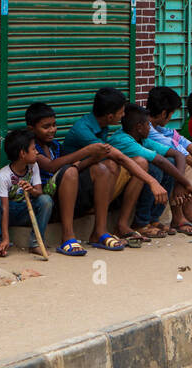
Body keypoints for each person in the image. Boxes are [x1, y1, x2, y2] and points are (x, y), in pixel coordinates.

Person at [63, 87, 171, 245]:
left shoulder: (103, 126)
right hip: (74, 186)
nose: (124, 115)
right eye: (121, 112)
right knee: (110, 165)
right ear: (110, 116)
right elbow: (118, 157)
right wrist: (152, 182)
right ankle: (99, 230)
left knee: (139, 162)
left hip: (94, 181)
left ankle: (122, 224)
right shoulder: (83, 129)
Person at [25, 101, 128, 254]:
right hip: (45, 198)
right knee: (71, 170)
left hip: (66, 193)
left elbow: (72, 168)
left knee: (100, 169)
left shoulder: (55, 146)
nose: (52, 130)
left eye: (54, 125)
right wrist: (87, 150)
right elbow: (51, 167)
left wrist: (92, 159)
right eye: (46, 127)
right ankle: (67, 236)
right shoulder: (31, 148)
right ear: (31, 129)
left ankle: (99, 231)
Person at [118, 103, 192, 240]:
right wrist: (187, 184)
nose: (150, 128)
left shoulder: (143, 139)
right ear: (139, 127)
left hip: (137, 182)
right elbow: (159, 160)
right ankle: (141, 223)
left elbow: (178, 154)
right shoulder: (124, 140)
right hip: (121, 184)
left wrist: (179, 184)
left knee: (171, 163)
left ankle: (153, 219)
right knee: (155, 170)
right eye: (148, 125)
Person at [146, 86, 192, 234]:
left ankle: (188, 213)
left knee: (187, 162)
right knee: (180, 163)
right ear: (164, 113)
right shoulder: (149, 130)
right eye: (171, 114)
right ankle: (178, 218)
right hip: (152, 166)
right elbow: (175, 149)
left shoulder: (159, 127)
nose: (171, 118)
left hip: (164, 161)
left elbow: (181, 141)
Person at [0, 128, 52, 257]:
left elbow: (39, 192)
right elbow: (4, 208)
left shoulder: (34, 166)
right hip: (7, 213)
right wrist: (6, 238)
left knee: (46, 200)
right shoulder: (3, 176)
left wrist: (31, 190)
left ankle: (36, 243)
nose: (37, 152)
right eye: (33, 149)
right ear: (22, 153)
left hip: (25, 211)